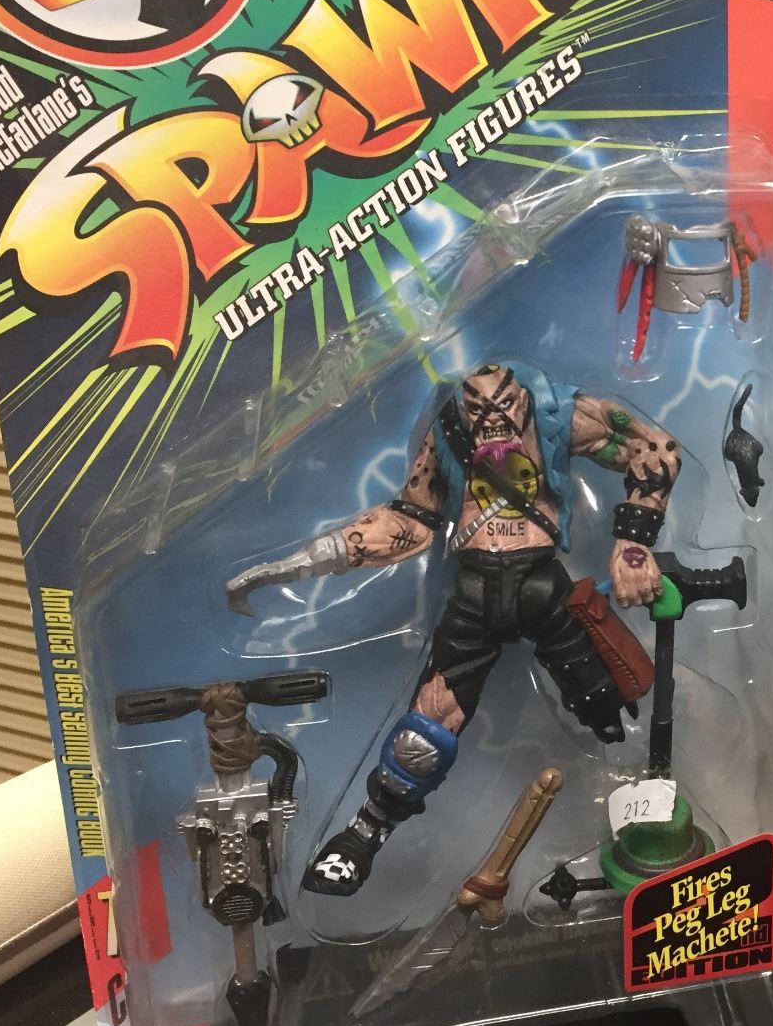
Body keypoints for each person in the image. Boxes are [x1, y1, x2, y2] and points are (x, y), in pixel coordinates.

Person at [224, 361, 679, 896]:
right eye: (478, 410)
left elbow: (653, 447)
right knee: (427, 729)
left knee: (611, 698)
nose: (492, 422)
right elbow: (410, 521)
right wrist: (297, 565)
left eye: (503, 406)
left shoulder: (556, 413)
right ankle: (366, 832)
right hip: (476, 593)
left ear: (522, 399)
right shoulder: (447, 432)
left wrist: (632, 545)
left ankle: (645, 796)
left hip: (544, 588)